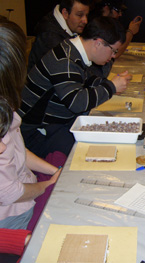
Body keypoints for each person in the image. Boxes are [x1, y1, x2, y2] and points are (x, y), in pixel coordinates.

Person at [18, 16, 131, 158]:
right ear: (98, 43)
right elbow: (77, 103)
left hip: (52, 124)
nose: (113, 56)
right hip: (34, 132)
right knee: (94, 153)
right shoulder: (65, 60)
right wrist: (111, 87)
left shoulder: (72, 50)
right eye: (113, 50)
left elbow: (82, 81)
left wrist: (107, 85)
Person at [0, 20, 62, 231]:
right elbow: (10, 193)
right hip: (13, 215)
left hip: (27, 188)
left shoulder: (4, 101)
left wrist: (57, 172)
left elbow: (17, 149)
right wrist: (47, 186)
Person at [27, 0, 90, 71]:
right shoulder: (49, 36)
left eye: (86, 15)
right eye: (79, 15)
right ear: (65, 13)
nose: (85, 21)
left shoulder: (66, 28)